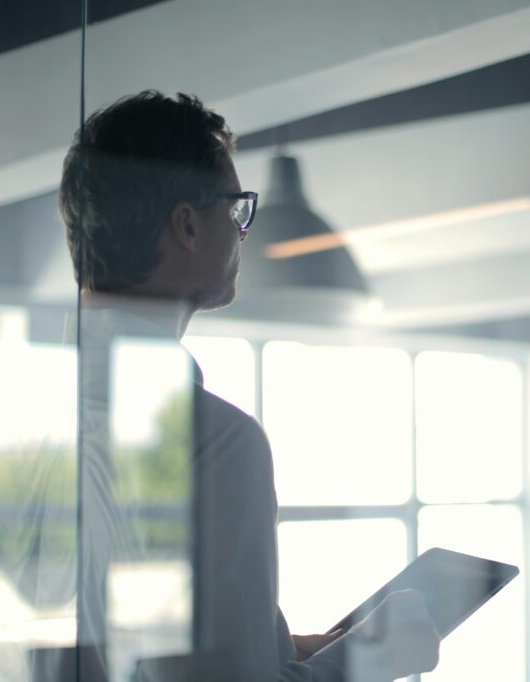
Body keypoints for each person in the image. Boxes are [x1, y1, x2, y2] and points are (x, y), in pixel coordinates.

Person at [50, 90, 441, 682]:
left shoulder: (22, 435)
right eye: (236, 211)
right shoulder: (214, 443)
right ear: (186, 225)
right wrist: (378, 656)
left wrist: (276, 646)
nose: (242, 233)